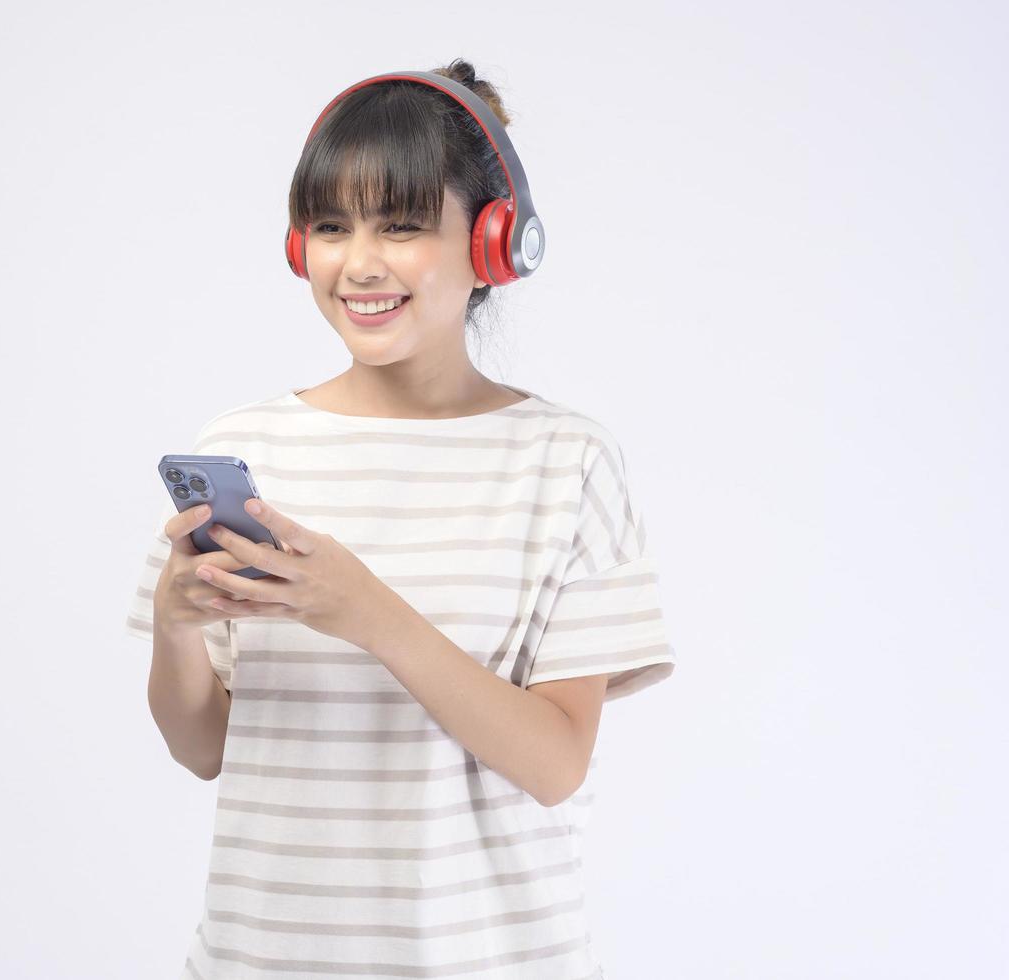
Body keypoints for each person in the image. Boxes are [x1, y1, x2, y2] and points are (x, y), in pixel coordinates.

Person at [125, 58, 676, 979]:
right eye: (332, 227)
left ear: (495, 242)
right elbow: (202, 749)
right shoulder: (246, 445)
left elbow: (554, 764)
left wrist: (368, 613)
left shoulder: (564, 462)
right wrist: (178, 630)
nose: (360, 262)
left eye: (403, 225)